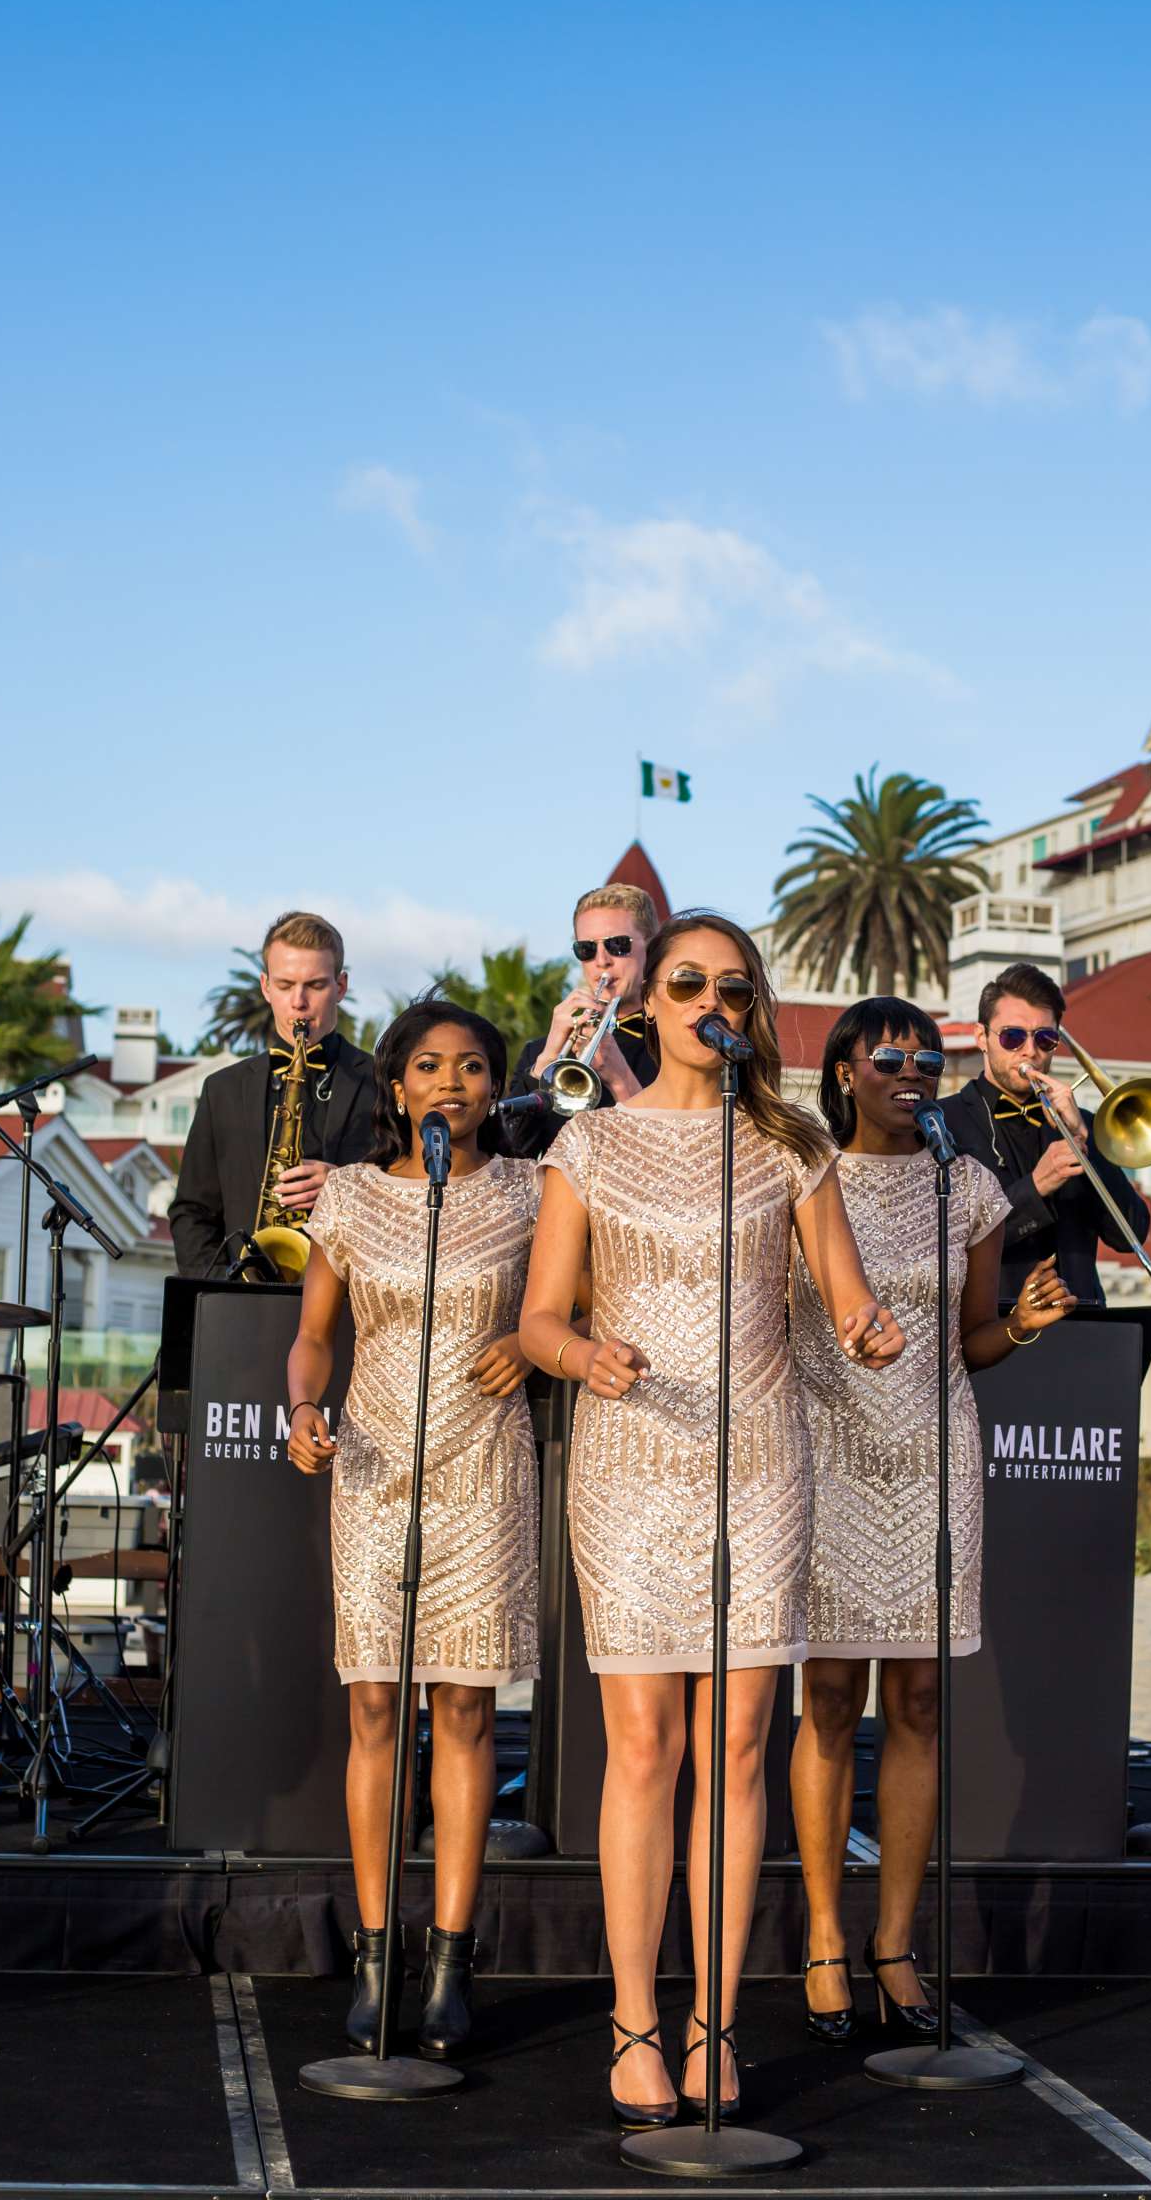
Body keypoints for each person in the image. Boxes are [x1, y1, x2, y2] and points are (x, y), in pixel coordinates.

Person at [519, 911, 905, 2127]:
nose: (708, 1003)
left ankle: (717, 2021)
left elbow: (846, 1298)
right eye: (686, 983)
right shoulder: (587, 1144)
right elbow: (534, 1319)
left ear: (749, 1012)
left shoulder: (788, 1147)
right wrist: (583, 1352)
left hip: (760, 1464)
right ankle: (636, 2019)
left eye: (731, 989)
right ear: (647, 1006)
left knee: (741, 1747)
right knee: (645, 1748)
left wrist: (866, 1326)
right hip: (632, 1460)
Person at [789, 998, 1074, 2044]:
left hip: (931, 1456)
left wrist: (1022, 1328)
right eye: (888, 1057)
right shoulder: (800, 1176)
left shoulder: (969, 1187)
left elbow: (971, 1342)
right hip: (821, 1454)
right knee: (825, 1701)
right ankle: (824, 1938)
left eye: (925, 1057)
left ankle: (895, 1945)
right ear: (845, 1072)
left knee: (914, 1703)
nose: (911, 1071)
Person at [286, 996, 540, 2058]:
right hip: (377, 1466)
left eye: (474, 1066)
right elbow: (311, 1338)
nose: (452, 1082)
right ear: (395, 1088)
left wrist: (530, 1343)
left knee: (467, 1713)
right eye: (429, 1065)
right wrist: (304, 1410)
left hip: (484, 1463)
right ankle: (377, 1949)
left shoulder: (534, 1190)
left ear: (493, 1086)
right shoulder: (345, 1197)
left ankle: (449, 1957)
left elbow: (581, 1308)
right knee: (378, 1708)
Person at [169, 911, 374, 1279]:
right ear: (265, 987)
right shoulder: (223, 1090)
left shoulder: (384, 1084)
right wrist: (225, 1290)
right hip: (243, 1306)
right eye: (285, 985)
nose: (298, 1001)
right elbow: (192, 1214)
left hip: (353, 1307)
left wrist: (348, 1186)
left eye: (314, 985)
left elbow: (418, 1197)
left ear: (340, 987)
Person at [939, 963, 1151, 1307]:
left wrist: (1086, 1142)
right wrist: (1035, 1187)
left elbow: (1131, 1235)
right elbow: (949, 1240)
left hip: (1080, 1329)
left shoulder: (1079, 1124)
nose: (1029, 1051)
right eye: (1012, 1037)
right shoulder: (944, 1122)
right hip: (990, 1332)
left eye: (1045, 1038)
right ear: (982, 1038)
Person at [501, 883, 660, 1158]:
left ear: (652, 946)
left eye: (618, 945)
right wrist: (546, 1059)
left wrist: (621, 1079)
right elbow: (509, 1154)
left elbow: (673, 1155)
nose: (601, 960)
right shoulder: (537, 1052)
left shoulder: (676, 1045)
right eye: (586, 949)